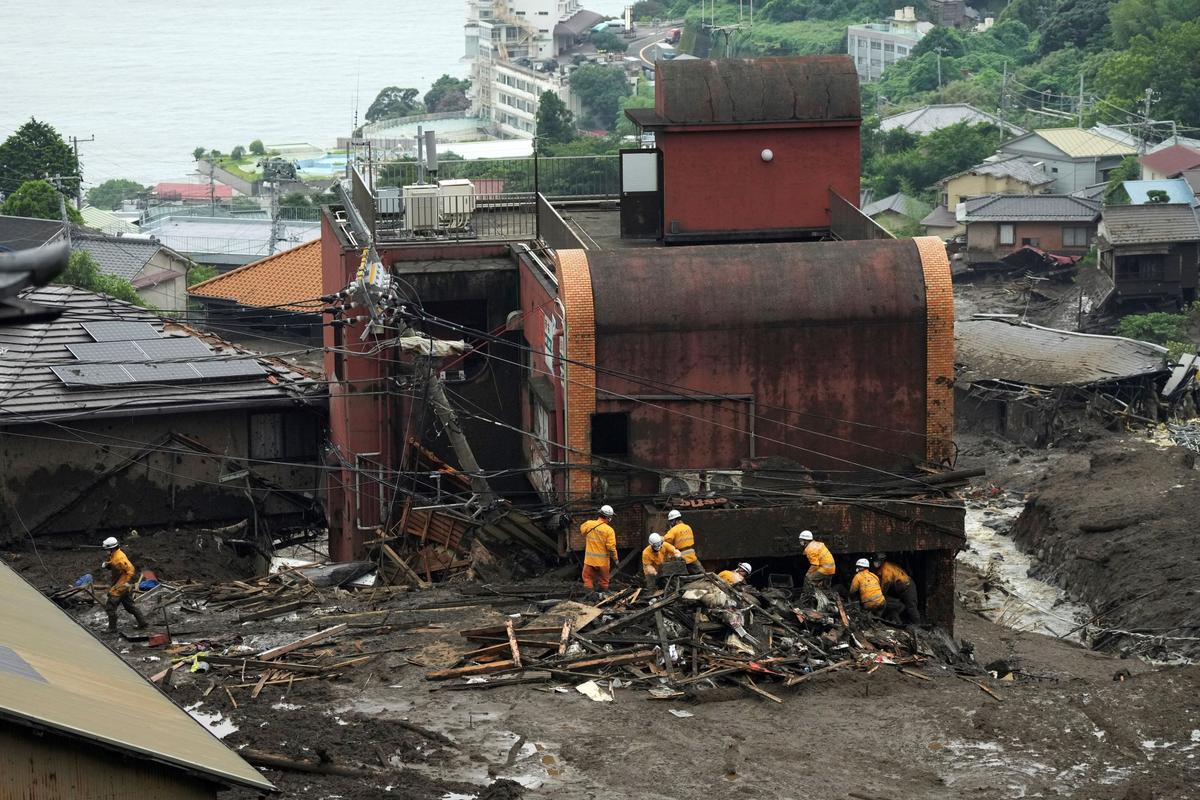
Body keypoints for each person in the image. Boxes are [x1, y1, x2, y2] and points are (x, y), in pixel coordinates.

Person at [101, 536, 148, 632]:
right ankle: (143, 623)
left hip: (120, 586)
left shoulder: (120, 558)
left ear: (112, 548)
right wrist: (108, 564)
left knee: (110, 607)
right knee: (129, 606)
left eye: (107, 549)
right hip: (123, 585)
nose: (106, 551)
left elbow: (130, 570)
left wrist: (122, 584)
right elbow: (115, 564)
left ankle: (112, 628)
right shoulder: (115, 554)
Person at [873, 553, 921, 624]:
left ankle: (917, 625)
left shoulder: (886, 569)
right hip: (899, 589)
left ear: (882, 561)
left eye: (878, 561)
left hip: (907, 587)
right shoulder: (882, 568)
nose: (876, 563)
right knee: (894, 605)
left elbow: (886, 584)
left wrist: (879, 595)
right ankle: (898, 621)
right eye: (875, 561)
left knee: (911, 607)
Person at [580, 505, 618, 593]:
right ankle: (603, 598)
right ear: (608, 518)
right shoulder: (609, 530)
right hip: (603, 562)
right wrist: (616, 559)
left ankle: (589, 598)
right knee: (604, 582)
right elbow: (611, 548)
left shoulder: (588, 524)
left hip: (589, 560)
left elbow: (582, 531)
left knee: (587, 579)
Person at [663, 509, 702, 575]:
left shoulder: (673, 530)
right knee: (701, 574)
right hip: (692, 555)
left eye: (671, 521)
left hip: (681, 558)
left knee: (677, 577)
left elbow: (667, 540)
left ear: (675, 520)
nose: (670, 523)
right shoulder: (688, 527)